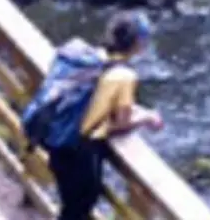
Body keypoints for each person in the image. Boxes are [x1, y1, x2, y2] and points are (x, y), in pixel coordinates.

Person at [48, 11, 163, 220]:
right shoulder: (125, 76)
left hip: (57, 138)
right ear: (138, 44)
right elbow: (121, 121)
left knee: (69, 206)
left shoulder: (91, 57)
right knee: (79, 209)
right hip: (80, 151)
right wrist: (147, 118)